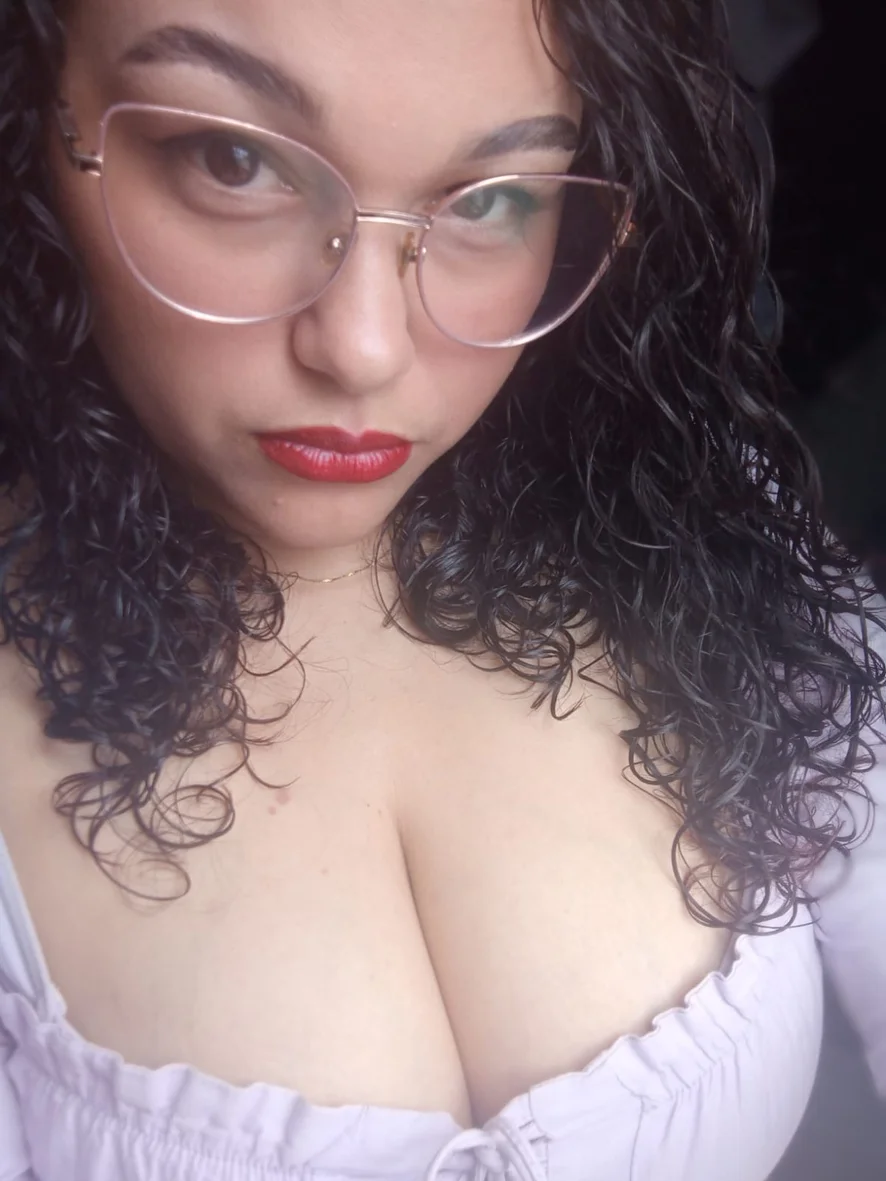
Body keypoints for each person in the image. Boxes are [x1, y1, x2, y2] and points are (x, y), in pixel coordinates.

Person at [0, 1, 884, 1178]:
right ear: (30, 124)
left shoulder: (685, 511)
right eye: (231, 160)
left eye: (493, 199)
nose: (363, 346)